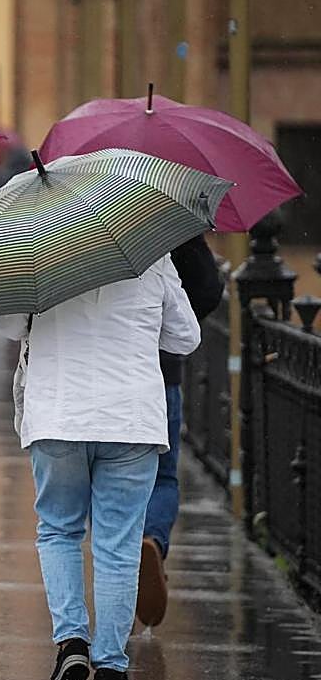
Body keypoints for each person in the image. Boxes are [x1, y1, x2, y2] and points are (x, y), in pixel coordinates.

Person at [0, 255, 200, 680]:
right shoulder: (150, 254)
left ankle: (71, 643)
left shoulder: (33, 247)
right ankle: (110, 668)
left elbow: (10, 327)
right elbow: (186, 338)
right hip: (130, 419)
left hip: (58, 413)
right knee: (118, 545)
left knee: (59, 531)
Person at [137, 234, 224, 627]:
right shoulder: (167, 218)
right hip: (160, 371)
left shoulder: (75, 211)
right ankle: (152, 539)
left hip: (95, 376)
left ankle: (118, 573)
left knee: (104, 479)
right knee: (162, 477)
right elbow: (207, 289)